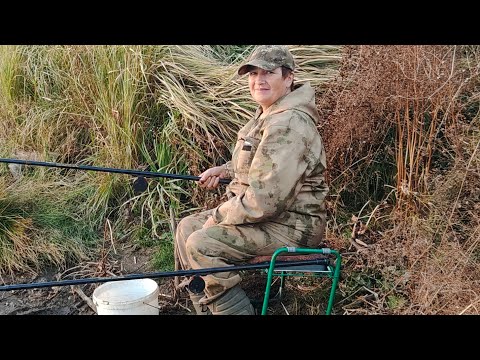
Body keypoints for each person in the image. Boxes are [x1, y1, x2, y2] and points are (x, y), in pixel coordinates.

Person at [175, 45, 328, 315]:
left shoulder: (288, 124)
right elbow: (264, 164)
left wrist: (220, 216)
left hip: (293, 225)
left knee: (202, 244)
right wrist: (226, 170)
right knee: (187, 228)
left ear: (288, 78)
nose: (259, 80)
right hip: (274, 217)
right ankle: (212, 308)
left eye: (268, 72)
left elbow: (263, 201)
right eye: (253, 73)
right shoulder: (272, 112)